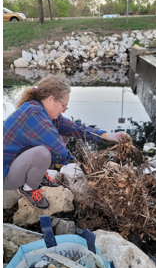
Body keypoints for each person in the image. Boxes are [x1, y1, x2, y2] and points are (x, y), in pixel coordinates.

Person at [3, 76, 129, 208]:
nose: (64, 110)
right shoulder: (33, 114)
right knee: (43, 153)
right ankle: (28, 189)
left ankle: (37, 175)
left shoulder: (43, 111)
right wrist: (84, 167)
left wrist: (109, 136)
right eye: (63, 106)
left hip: (17, 162)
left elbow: (75, 128)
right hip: (5, 172)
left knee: (65, 133)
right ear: (51, 99)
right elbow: (58, 149)